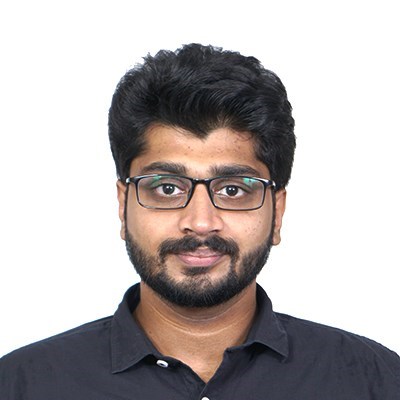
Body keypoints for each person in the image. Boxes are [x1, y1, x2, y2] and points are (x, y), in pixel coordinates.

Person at [0, 43, 399, 399]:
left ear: (277, 213)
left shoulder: (375, 381)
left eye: (234, 190)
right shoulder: (22, 385)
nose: (201, 222)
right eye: (167, 188)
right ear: (123, 206)